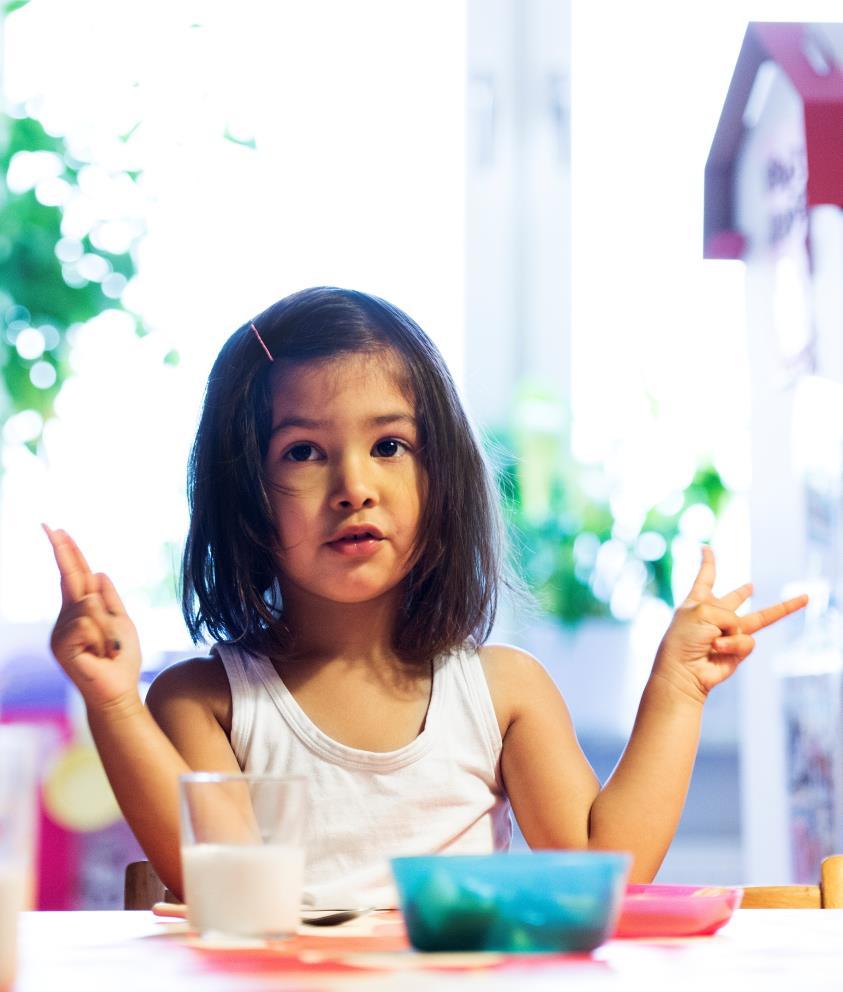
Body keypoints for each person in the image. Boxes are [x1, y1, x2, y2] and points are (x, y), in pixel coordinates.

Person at [44, 286, 807, 909]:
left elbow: (607, 872)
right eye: (303, 452)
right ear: (243, 495)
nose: (354, 488)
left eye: (389, 446)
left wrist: (675, 691)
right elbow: (228, 885)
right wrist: (113, 703)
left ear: (439, 477)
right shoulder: (204, 701)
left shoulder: (504, 691)